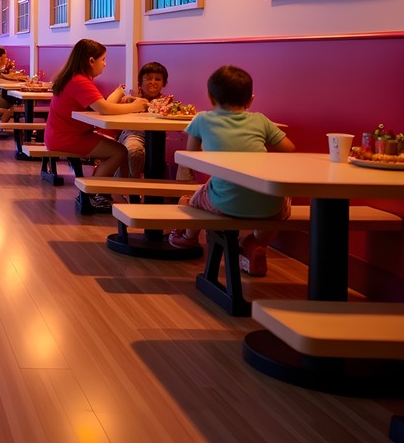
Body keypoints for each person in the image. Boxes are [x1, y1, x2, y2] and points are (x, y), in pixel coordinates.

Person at [168, 65, 295, 277]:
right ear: (251, 99)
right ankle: (254, 244)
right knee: (278, 201)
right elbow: (289, 148)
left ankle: (189, 237)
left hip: (224, 202)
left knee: (194, 199)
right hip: (269, 205)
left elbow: (190, 156)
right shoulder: (261, 120)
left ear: (209, 97)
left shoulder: (202, 119)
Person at [44, 39, 149, 209]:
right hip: (66, 137)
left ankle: (109, 193)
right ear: (91, 61)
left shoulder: (74, 77)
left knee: (117, 149)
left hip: (61, 134)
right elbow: (104, 108)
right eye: (103, 59)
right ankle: (90, 196)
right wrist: (136, 106)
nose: (105, 64)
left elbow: (102, 106)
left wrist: (119, 94)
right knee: (118, 151)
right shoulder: (80, 81)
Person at [118, 61, 170, 178]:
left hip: (158, 137)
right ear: (140, 82)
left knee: (170, 155)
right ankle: (134, 189)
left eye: (157, 79)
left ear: (164, 83)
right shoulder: (131, 98)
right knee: (135, 151)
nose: (153, 82)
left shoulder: (167, 102)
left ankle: (156, 190)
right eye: (148, 79)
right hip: (133, 133)